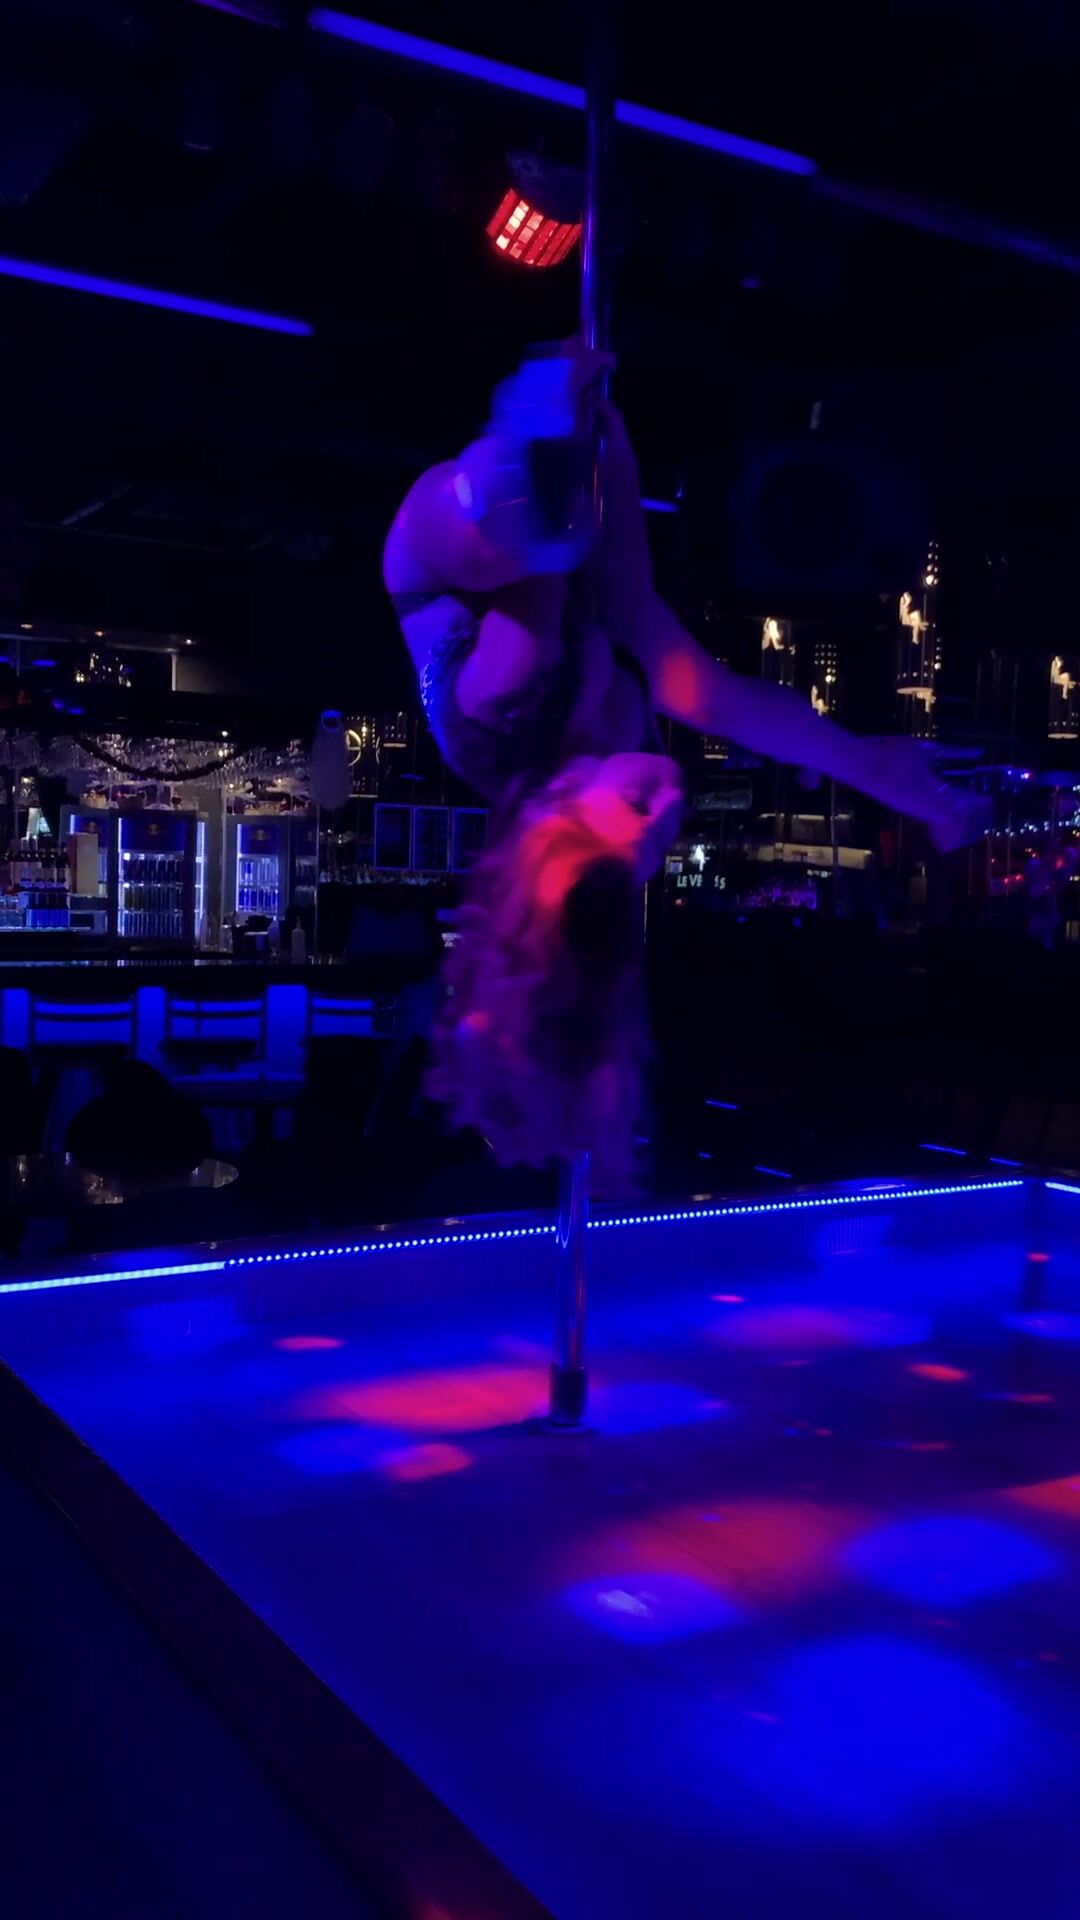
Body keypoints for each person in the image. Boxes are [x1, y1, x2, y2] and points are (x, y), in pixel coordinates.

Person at [384, 342, 979, 1185]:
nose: (667, 806)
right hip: (560, 533)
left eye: (635, 820)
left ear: (557, 812)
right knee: (585, 564)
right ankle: (532, 470)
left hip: (453, 563)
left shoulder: (506, 710)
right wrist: (879, 771)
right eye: (656, 847)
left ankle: (518, 468)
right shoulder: (609, 755)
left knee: (541, 547)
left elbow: (554, 561)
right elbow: (698, 678)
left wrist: (554, 442)